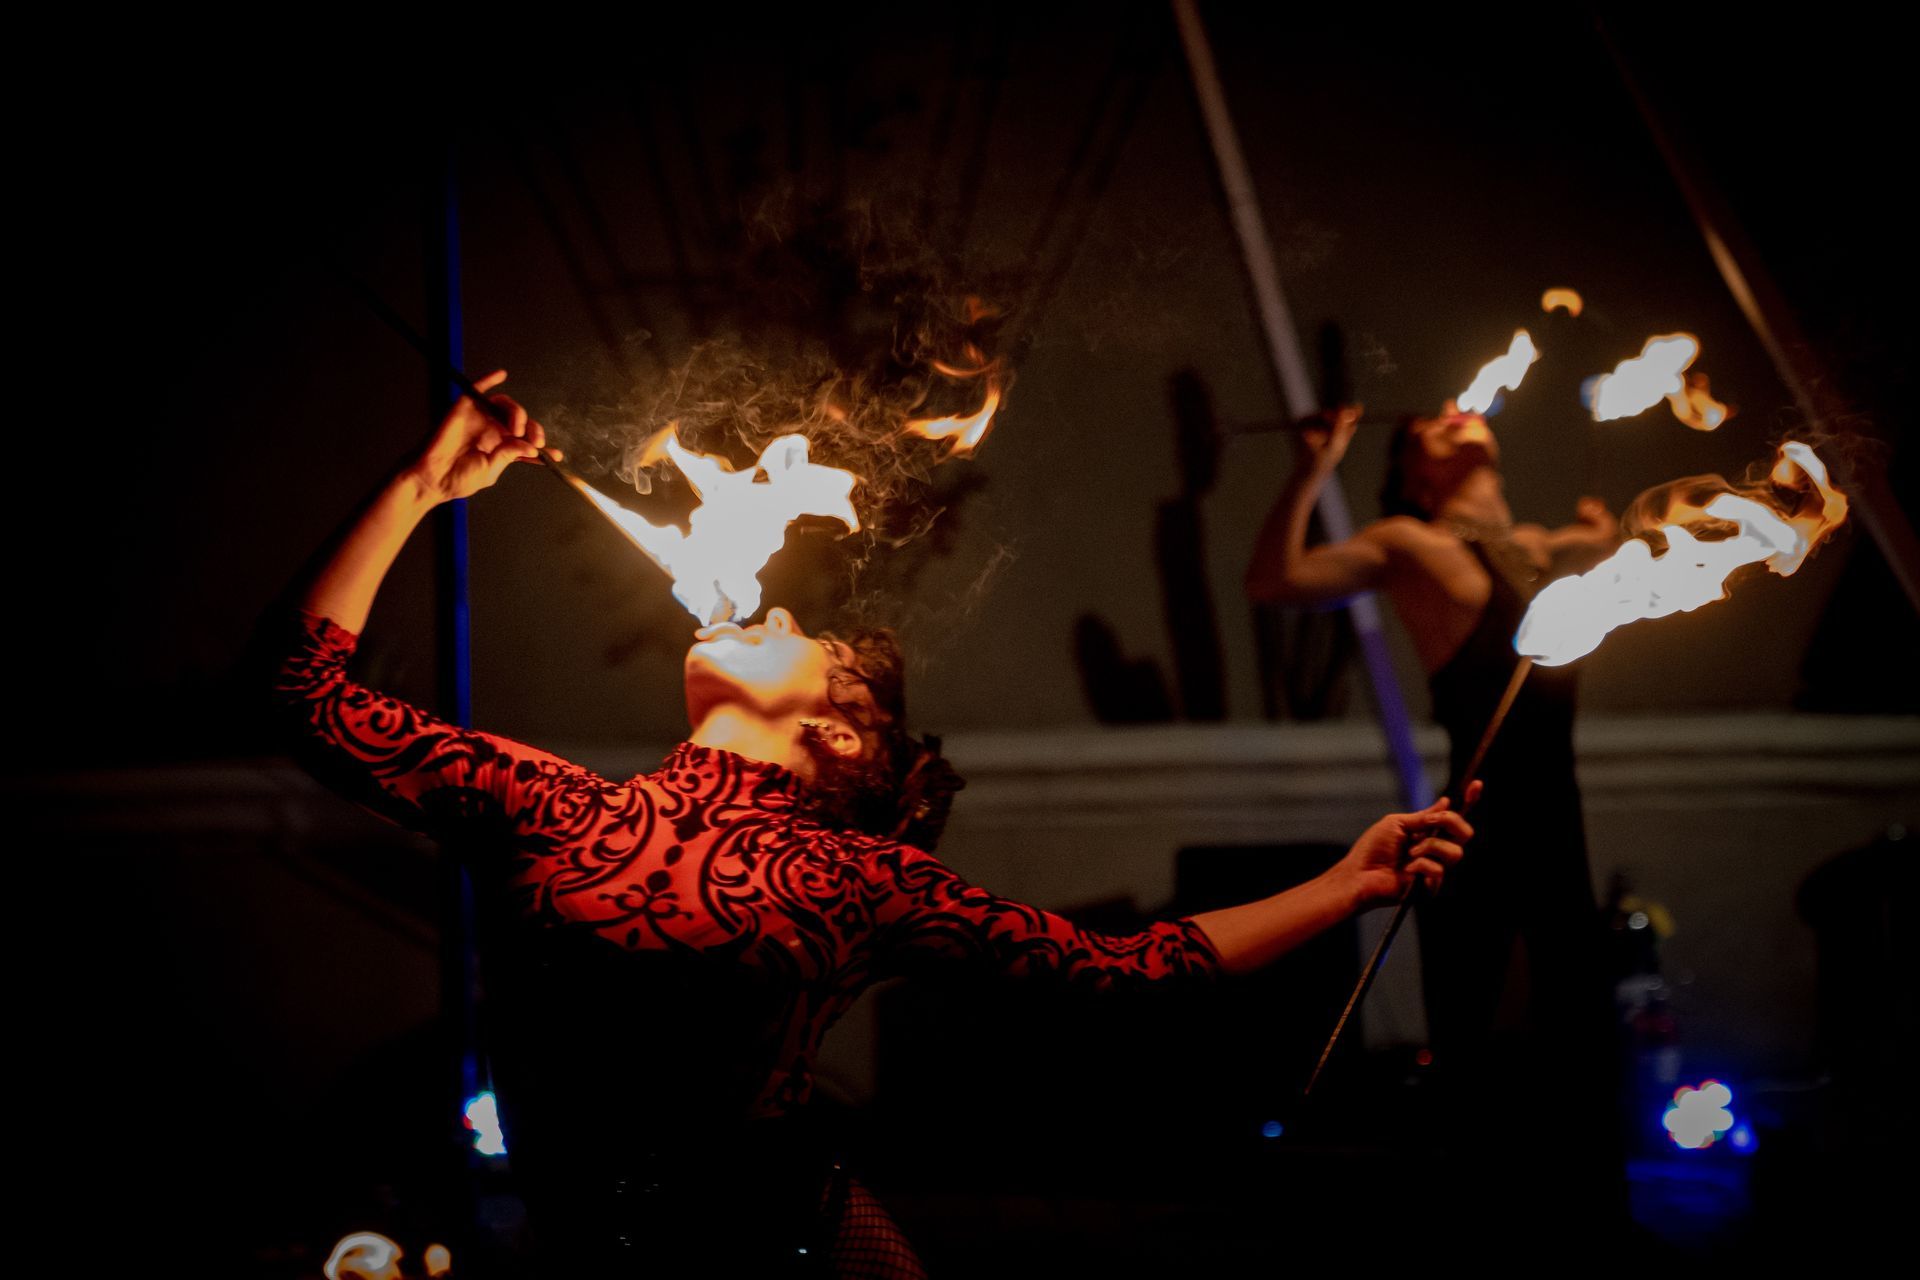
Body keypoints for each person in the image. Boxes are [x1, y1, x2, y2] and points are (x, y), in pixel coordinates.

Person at [273, 374, 1475, 1277]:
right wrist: (421, 489)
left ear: (844, 735)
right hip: (588, 1253)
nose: (779, 601)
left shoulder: (860, 879)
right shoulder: (556, 805)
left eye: (820, 639)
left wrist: (1346, 883)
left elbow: (1130, 966)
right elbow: (302, 693)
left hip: (790, 1243)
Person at [1245, 401, 1626, 1233]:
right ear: (1417, 473)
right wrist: (1314, 466)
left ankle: (1594, 1228)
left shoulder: (1542, 547)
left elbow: (1618, 551)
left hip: (1561, 817)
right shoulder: (1410, 542)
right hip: (1479, 822)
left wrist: (1601, 531)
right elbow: (1274, 582)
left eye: (1462, 414)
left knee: (1579, 1032)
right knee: (1485, 1041)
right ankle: (1472, 1233)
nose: (1456, 415)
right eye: (1429, 426)